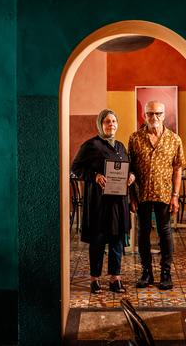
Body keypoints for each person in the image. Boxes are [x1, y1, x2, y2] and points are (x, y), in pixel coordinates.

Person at [71, 109, 135, 294]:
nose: (111, 125)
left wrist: (131, 176)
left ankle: (116, 279)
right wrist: (95, 175)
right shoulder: (91, 145)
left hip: (118, 203)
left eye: (114, 121)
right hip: (99, 204)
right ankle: (95, 279)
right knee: (98, 241)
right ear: (101, 124)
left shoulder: (121, 147)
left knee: (116, 241)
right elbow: (75, 168)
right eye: (107, 121)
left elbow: (129, 168)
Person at [128, 100, 185, 290]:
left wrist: (175, 196)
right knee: (143, 233)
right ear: (144, 115)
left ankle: (166, 273)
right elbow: (130, 170)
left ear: (164, 114)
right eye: (150, 114)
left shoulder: (174, 139)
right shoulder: (134, 138)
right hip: (141, 193)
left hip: (164, 194)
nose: (154, 117)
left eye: (158, 113)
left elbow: (178, 169)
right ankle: (146, 273)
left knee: (165, 232)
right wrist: (131, 197)